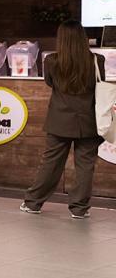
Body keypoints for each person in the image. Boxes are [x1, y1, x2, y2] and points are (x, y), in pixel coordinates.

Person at [23, 21, 105, 218]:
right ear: (82, 38)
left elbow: (50, 83)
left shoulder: (51, 61)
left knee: (50, 163)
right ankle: (79, 208)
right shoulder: (97, 60)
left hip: (59, 120)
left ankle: (33, 203)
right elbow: (99, 85)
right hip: (88, 121)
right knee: (85, 166)